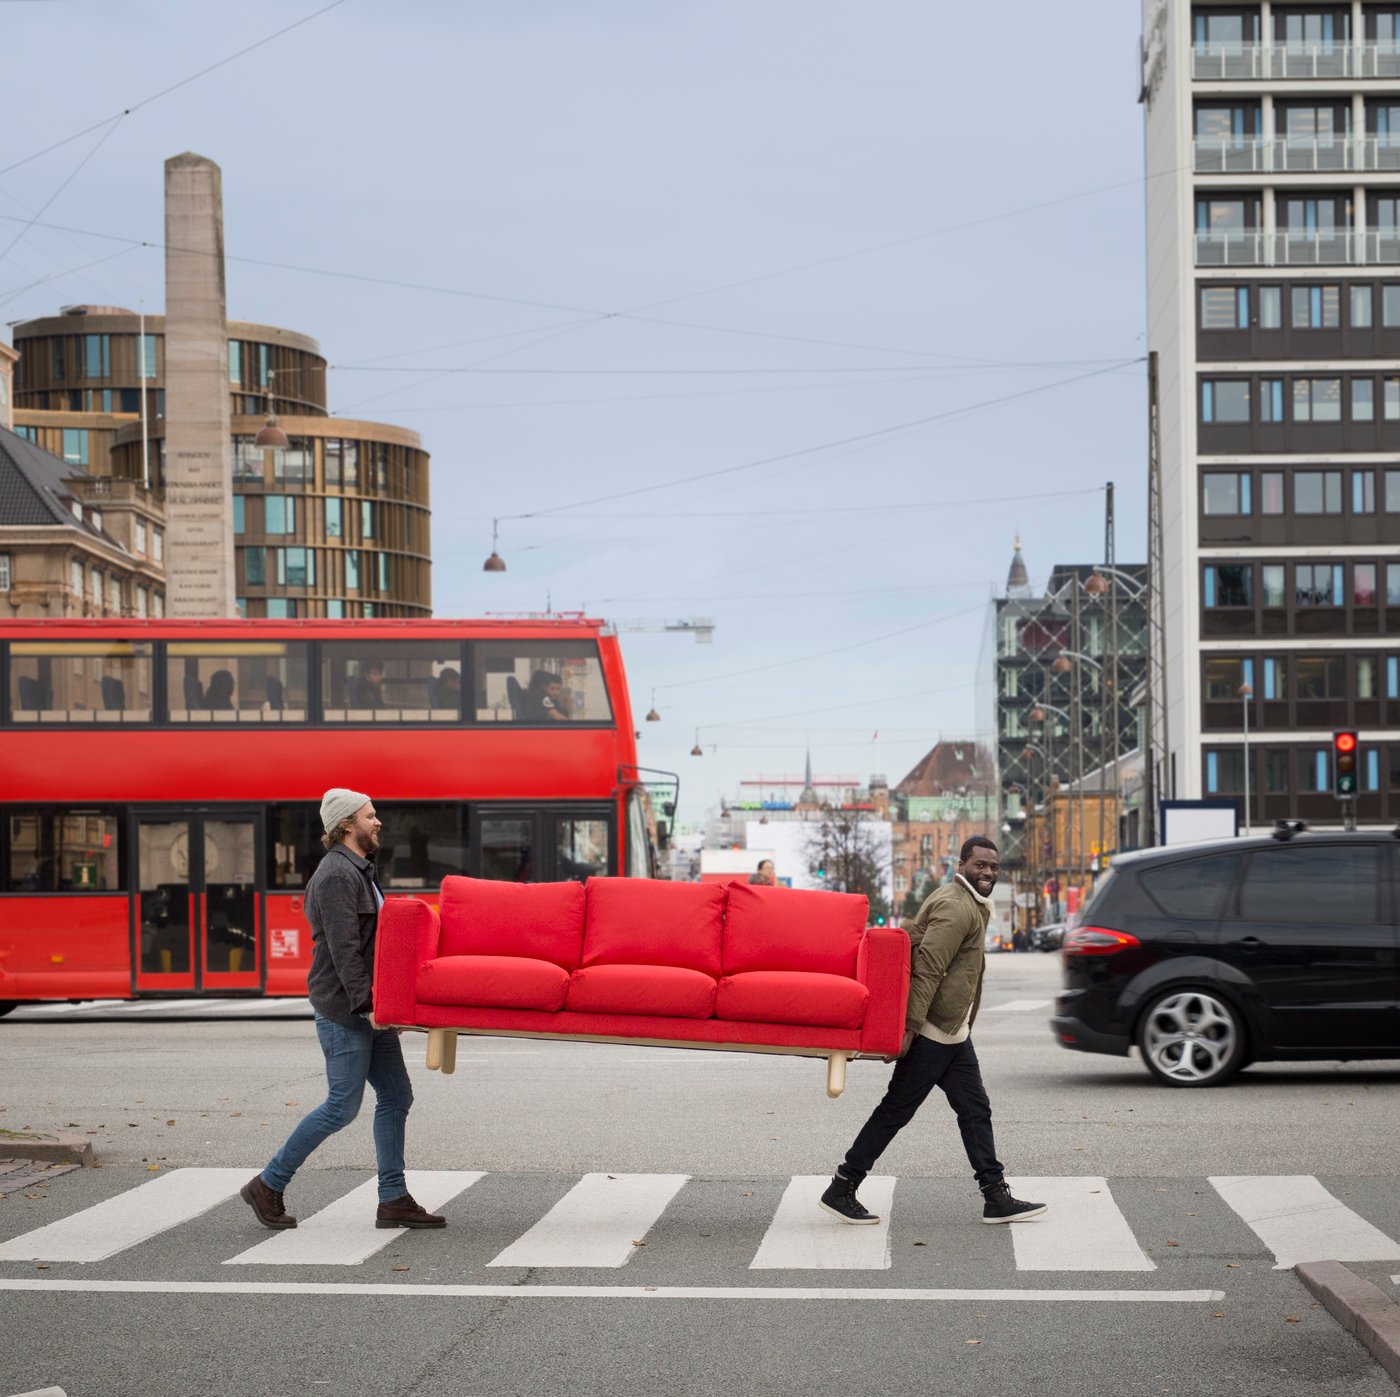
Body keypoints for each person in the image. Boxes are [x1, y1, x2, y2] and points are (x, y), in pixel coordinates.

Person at [240, 788, 445, 1232]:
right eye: (371, 816)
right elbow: (344, 949)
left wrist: (392, 1003)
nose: (379, 822)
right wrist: (368, 1005)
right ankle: (268, 1184)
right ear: (347, 824)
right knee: (341, 1107)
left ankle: (393, 1199)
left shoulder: (361, 869)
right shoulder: (336, 875)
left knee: (396, 1096)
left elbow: (378, 947)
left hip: (370, 1007)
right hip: (346, 1009)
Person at [817, 836, 1047, 1228]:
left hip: (952, 1032)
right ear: (962, 865)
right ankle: (842, 1186)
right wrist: (906, 1030)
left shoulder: (969, 904)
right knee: (896, 1112)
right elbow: (927, 968)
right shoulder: (957, 909)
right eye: (980, 865)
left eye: (993, 866)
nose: (988, 872)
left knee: (974, 1110)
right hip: (933, 1032)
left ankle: (995, 1196)